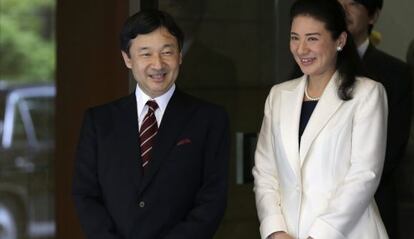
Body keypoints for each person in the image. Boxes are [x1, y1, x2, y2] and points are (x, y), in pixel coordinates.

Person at [72, 10, 230, 239]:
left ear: (180, 55)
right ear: (128, 58)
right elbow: (85, 194)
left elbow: (212, 200)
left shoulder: (209, 119)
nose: (158, 64)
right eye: (145, 54)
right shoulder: (99, 121)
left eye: (167, 52)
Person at [253, 0, 388, 238]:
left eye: (312, 38)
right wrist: (275, 229)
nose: (301, 49)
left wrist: (319, 234)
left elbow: (364, 176)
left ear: (340, 41)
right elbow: (265, 172)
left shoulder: (367, 94)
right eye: (295, 37)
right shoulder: (279, 96)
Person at [338, 0, 412, 237]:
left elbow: (391, 150)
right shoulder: (313, 67)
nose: (343, 10)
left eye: (353, 4)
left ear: (373, 15)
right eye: (337, 3)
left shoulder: (396, 73)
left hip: (373, 204)